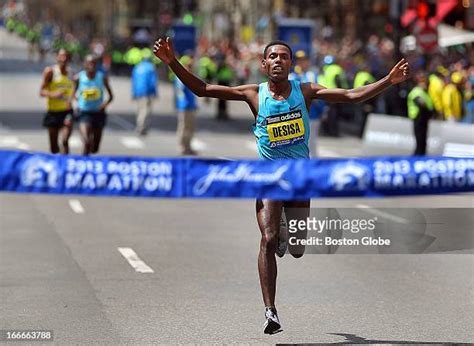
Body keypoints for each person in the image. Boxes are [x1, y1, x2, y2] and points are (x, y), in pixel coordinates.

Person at [153, 37, 410, 334]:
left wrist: (389, 81)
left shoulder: (306, 91)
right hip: (269, 177)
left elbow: (352, 95)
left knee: (297, 249)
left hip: (300, 177)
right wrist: (172, 62)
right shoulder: (253, 94)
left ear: (291, 64)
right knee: (268, 239)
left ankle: (288, 233)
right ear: (263, 65)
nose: (278, 60)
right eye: (272, 56)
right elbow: (203, 89)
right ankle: (270, 311)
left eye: (284, 57)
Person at [73, 55, 114, 155]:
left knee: (94, 148)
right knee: (86, 142)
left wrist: (104, 105)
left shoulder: (102, 77)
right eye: (89, 63)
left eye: (93, 63)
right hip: (84, 113)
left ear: (96, 65)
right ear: (84, 64)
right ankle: (84, 164)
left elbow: (111, 96)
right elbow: (72, 94)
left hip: (98, 113)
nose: (91, 65)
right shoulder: (78, 78)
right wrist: (77, 101)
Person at [289, 50, 325, 156]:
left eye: (304, 60)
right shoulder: (291, 76)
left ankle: (313, 167)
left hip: (312, 115)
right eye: (299, 61)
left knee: (311, 143)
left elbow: (319, 93)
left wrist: (322, 110)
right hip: (295, 116)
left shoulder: (312, 75)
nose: (302, 63)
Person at [39, 48, 74, 154]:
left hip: (67, 111)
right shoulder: (50, 71)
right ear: (57, 57)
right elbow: (41, 91)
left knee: (65, 140)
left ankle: (65, 165)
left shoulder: (72, 73)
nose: (63, 59)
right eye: (61, 56)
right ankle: (57, 163)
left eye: (66, 56)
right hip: (53, 112)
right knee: (54, 148)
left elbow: (75, 89)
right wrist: (53, 94)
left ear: (69, 59)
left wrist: (73, 98)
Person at [174, 55, 197, 155]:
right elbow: (180, 91)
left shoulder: (190, 76)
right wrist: (183, 102)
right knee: (183, 127)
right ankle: (182, 146)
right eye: (188, 65)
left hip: (191, 105)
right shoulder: (181, 77)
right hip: (184, 106)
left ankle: (188, 146)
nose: (190, 67)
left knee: (190, 127)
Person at [407, 72, 435, 156]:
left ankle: (421, 157)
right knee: (420, 141)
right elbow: (421, 104)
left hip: (423, 118)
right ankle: (417, 158)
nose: (425, 84)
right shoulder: (416, 92)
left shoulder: (424, 92)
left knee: (423, 141)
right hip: (419, 118)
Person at [131, 49, 158, 135]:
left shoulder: (137, 67)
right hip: (146, 92)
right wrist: (154, 92)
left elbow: (134, 81)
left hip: (138, 92)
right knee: (145, 110)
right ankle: (142, 127)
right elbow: (153, 82)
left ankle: (139, 125)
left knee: (139, 109)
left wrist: (133, 93)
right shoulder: (151, 67)